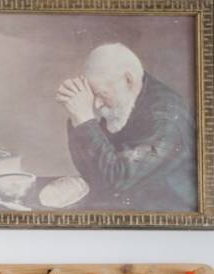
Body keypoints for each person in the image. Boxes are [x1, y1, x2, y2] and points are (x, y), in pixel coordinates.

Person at [55, 42, 196, 211]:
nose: (97, 105)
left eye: (102, 94)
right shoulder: (124, 103)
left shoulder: (166, 117)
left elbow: (115, 179)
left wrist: (84, 119)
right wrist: (77, 118)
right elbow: (93, 173)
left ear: (128, 80)